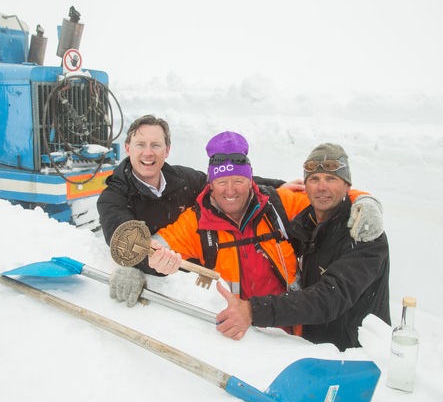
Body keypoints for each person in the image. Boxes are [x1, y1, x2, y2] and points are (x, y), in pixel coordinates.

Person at [109, 131, 383, 338]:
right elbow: (153, 247)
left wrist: (365, 201)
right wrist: (134, 266)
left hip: (295, 330)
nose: (231, 191)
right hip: (240, 336)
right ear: (211, 184)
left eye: (239, 181)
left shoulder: (278, 203)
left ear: (250, 180)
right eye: (222, 182)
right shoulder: (195, 222)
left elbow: (326, 197)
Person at [97, 116, 303, 304]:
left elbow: (224, 181)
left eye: (156, 145)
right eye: (140, 144)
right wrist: (135, 266)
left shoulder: (182, 179)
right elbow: (123, 239)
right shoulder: (113, 198)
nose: (148, 152)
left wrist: (277, 186)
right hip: (170, 274)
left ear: (167, 150)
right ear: (127, 148)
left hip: (198, 271)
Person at [215, 142, 390, 351]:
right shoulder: (304, 224)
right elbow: (248, 189)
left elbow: (329, 298)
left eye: (331, 179)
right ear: (304, 186)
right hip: (312, 348)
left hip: (358, 354)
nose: (321, 186)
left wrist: (253, 310)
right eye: (314, 179)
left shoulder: (364, 233)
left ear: (347, 186)